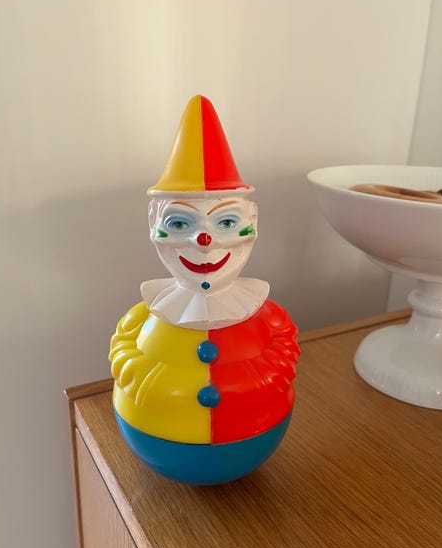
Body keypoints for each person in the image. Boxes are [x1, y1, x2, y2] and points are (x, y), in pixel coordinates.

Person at [109, 95, 300, 484]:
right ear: (153, 223)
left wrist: (254, 380)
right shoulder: (143, 317)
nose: (204, 241)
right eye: (180, 224)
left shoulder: (269, 317)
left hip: (256, 435)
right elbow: (124, 349)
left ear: (252, 220)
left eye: (226, 222)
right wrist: (147, 378)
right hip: (154, 439)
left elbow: (284, 348)